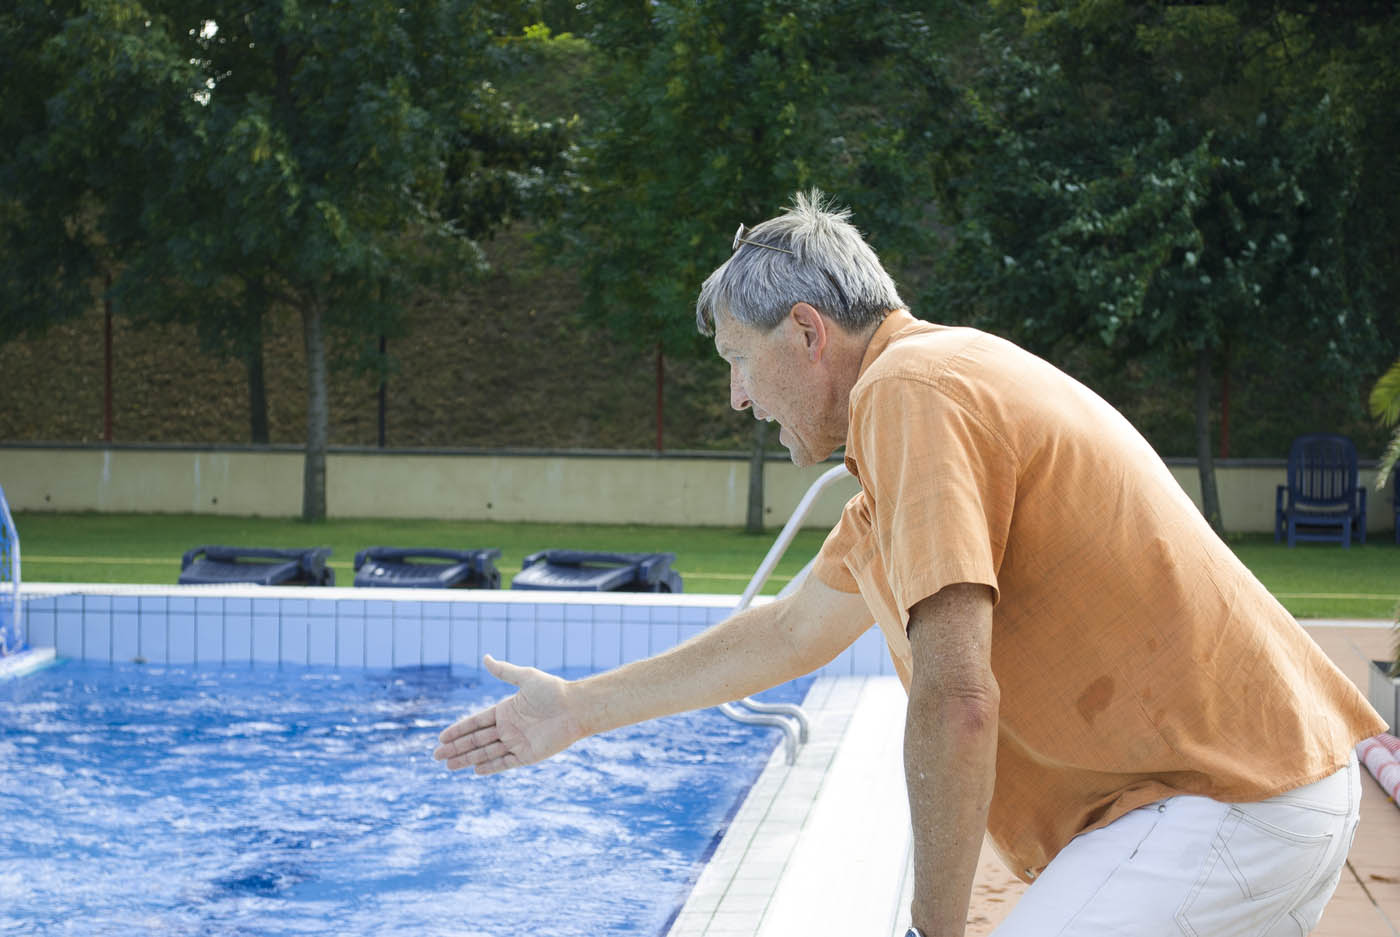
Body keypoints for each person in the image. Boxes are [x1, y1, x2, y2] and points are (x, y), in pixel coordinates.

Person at [435, 191, 1385, 936]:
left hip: (1226, 803)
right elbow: (788, 631)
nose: (735, 397)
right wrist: (575, 711)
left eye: (736, 358)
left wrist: (933, 930)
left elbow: (956, 697)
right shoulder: (918, 421)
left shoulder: (911, 393)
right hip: (1258, 793)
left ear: (807, 333)